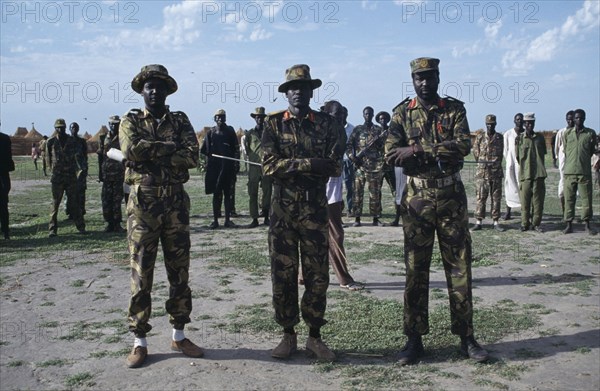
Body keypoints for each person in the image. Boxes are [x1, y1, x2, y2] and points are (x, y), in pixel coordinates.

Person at [385, 57, 489, 366]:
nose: (425, 82)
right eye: (419, 77)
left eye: (430, 76)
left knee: (459, 267)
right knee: (416, 268)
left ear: (438, 77)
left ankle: (466, 337)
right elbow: (391, 153)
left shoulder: (454, 109)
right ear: (412, 80)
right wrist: (421, 152)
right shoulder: (401, 113)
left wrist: (417, 150)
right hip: (417, 197)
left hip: (450, 196)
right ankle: (414, 339)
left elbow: (462, 145)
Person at [120, 64, 203, 368]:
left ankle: (179, 335)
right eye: (149, 86)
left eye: (160, 86)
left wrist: (152, 151)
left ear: (168, 90)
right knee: (142, 273)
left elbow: (193, 155)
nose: (154, 91)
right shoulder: (130, 120)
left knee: (179, 271)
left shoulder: (179, 120)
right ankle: (139, 341)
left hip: (175, 206)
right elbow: (131, 150)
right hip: (143, 206)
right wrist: (170, 149)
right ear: (142, 91)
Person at [263, 64, 341, 361]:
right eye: (292, 88)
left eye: (303, 87)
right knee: (282, 274)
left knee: (317, 274)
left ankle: (314, 336)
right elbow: (269, 167)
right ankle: (288, 334)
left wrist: (292, 165)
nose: (298, 92)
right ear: (286, 93)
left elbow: (334, 165)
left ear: (311, 91)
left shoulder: (326, 124)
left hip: (315, 210)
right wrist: (309, 164)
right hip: (282, 212)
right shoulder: (273, 125)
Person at [323, 100, 364, 291]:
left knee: (325, 235)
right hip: (322, 193)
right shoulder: (321, 133)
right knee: (334, 235)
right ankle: (344, 278)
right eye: (336, 115)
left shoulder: (340, 133)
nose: (340, 118)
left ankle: (304, 277)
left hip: (334, 193)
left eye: (342, 115)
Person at [45, 119, 86, 237]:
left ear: (65, 128)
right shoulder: (51, 142)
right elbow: (47, 158)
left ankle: (81, 227)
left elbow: (79, 156)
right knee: (55, 204)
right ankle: (52, 229)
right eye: (58, 127)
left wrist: (81, 170)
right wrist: (51, 170)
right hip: (57, 178)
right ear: (55, 128)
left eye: (62, 127)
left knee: (74, 203)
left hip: (70, 177)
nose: (60, 130)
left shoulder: (72, 141)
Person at [200, 109, 240, 229]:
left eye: (222, 117)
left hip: (228, 167)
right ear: (214, 118)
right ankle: (215, 220)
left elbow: (236, 149)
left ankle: (227, 220)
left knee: (228, 194)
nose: (220, 119)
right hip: (215, 168)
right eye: (217, 117)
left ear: (225, 118)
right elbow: (204, 151)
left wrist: (236, 164)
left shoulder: (230, 131)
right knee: (216, 194)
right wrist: (210, 160)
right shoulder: (210, 133)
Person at [347, 106, 386, 227]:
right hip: (360, 166)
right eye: (366, 114)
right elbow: (349, 145)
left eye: (370, 114)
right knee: (357, 193)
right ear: (363, 115)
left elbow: (384, 147)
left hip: (374, 166)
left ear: (373, 115)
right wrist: (352, 157)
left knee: (375, 193)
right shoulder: (358, 129)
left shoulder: (378, 130)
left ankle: (375, 219)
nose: (368, 116)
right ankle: (357, 219)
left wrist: (380, 142)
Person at [562, 109, 598, 235]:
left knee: (586, 199)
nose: (579, 120)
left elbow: (592, 150)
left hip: (584, 172)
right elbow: (566, 150)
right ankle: (569, 224)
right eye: (577, 118)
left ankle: (587, 224)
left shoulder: (590, 133)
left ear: (584, 119)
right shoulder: (567, 134)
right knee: (569, 199)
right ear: (573, 119)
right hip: (570, 171)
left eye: (581, 118)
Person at [472, 114, 504, 232]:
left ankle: (496, 222)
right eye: (488, 124)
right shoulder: (480, 137)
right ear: (485, 125)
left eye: (492, 124)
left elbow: (501, 155)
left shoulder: (500, 138)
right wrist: (483, 164)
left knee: (496, 198)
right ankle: (478, 222)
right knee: (480, 197)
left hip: (496, 173)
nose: (489, 126)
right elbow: (476, 154)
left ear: (495, 124)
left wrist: (494, 163)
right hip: (482, 173)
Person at [515, 112, 546, 232]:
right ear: (523, 124)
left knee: (538, 202)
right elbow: (517, 157)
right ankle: (524, 223)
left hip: (538, 174)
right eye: (527, 123)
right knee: (525, 201)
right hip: (525, 174)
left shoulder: (540, 138)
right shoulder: (520, 139)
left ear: (534, 123)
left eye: (531, 123)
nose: (529, 125)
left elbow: (543, 154)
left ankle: (536, 223)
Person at [244, 107, 272, 228]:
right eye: (257, 117)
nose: (259, 119)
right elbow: (247, 150)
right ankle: (254, 218)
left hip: (266, 167)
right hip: (254, 168)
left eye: (261, 117)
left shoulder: (269, 132)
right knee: (253, 193)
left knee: (267, 192)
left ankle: (266, 216)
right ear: (254, 119)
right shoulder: (250, 134)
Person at [99, 115, 126, 233]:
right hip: (107, 173)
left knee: (117, 199)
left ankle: (117, 223)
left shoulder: (123, 137)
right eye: (111, 124)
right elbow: (100, 155)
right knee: (106, 199)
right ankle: (109, 223)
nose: (113, 126)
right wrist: (100, 172)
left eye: (116, 124)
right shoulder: (103, 137)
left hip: (119, 173)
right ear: (108, 124)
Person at [503, 113, 524, 220]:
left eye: (521, 119)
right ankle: (508, 212)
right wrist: (510, 161)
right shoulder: (508, 134)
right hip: (511, 164)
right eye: (517, 119)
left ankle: (524, 212)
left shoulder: (526, 134)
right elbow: (505, 150)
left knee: (523, 188)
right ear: (514, 120)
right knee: (509, 186)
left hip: (523, 166)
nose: (519, 121)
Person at [66, 122, 88, 219]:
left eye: (75, 127)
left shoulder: (82, 141)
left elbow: (85, 155)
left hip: (81, 170)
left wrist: (84, 168)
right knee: (70, 193)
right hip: (70, 170)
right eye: (72, 127)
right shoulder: (66, 141)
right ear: (69, 129)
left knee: (81, 192)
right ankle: (70, 213)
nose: (74, 129)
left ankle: (81, 211)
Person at [554, 111, 575, 214]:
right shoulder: (561, 132)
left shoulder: (577, 132)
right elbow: (557, 148)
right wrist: (556, 159)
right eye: (568, 119)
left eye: (572, 119)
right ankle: (564, 211)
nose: (570, 121)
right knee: (562, 187)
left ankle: (571, 211)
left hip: (574, 165)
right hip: (563, 164)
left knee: (573, 189)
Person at [0, 129, 15, 240]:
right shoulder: (5, 138)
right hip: (4, 175)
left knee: (3, 205)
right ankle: (5, 232)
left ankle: (5, 231)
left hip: (3, 175)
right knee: (3, 205)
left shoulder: (5, 138)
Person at [341, 107, 355, 216]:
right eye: (341, 113)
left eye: (345, 113)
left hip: (348, 160)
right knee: (337, 187)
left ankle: (350, 209)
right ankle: (339, 209)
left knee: (349, 186)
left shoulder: (352, 128)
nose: (343, 115)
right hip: (336, 160)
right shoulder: (334, 127)